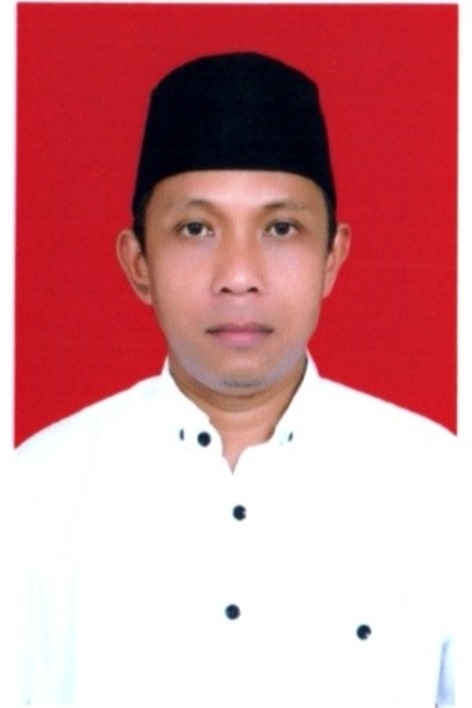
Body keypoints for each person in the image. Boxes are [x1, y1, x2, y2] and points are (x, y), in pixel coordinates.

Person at [5, 52, 465, 706]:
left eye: (281, 228)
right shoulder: (33, 497)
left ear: (332, 258)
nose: (239, 275)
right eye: (196, 228)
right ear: (139, 263)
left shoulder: (440, 488)